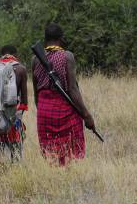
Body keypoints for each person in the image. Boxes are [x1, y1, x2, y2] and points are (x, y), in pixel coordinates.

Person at [32, 23, 95, 166]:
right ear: (61, 38)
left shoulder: (35, 59)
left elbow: (36, 93)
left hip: (44, 111)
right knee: (70, 155)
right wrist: (87, 116)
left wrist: (43, 110)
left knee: (50, 154)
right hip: (64, 110)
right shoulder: (67, 56)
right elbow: (72, 89)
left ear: (45, 38)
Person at [0, 45, 29, 162]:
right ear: (15, 55)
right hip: (13, 117)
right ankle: (15, 170)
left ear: (0, 56)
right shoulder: (21, 69)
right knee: (16, 153)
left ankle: (0, 168)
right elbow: (24, 102)